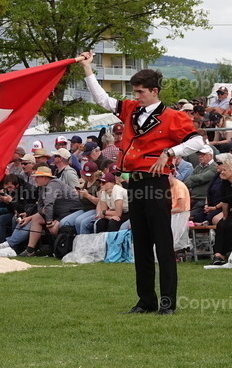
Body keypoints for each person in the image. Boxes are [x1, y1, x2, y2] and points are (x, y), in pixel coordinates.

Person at [77, 51, 206, 314]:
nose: (136, 97)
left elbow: (197, 141)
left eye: (140, 92)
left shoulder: (173, 116)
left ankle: (168, 303)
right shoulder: (131, 110)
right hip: (133, 183)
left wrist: (170, 152)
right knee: (142, 242)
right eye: (135, 92)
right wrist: (88, 69)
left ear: (154, 91)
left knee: (163, 243)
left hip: (156, 182)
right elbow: (102, 99)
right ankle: (145, 301)